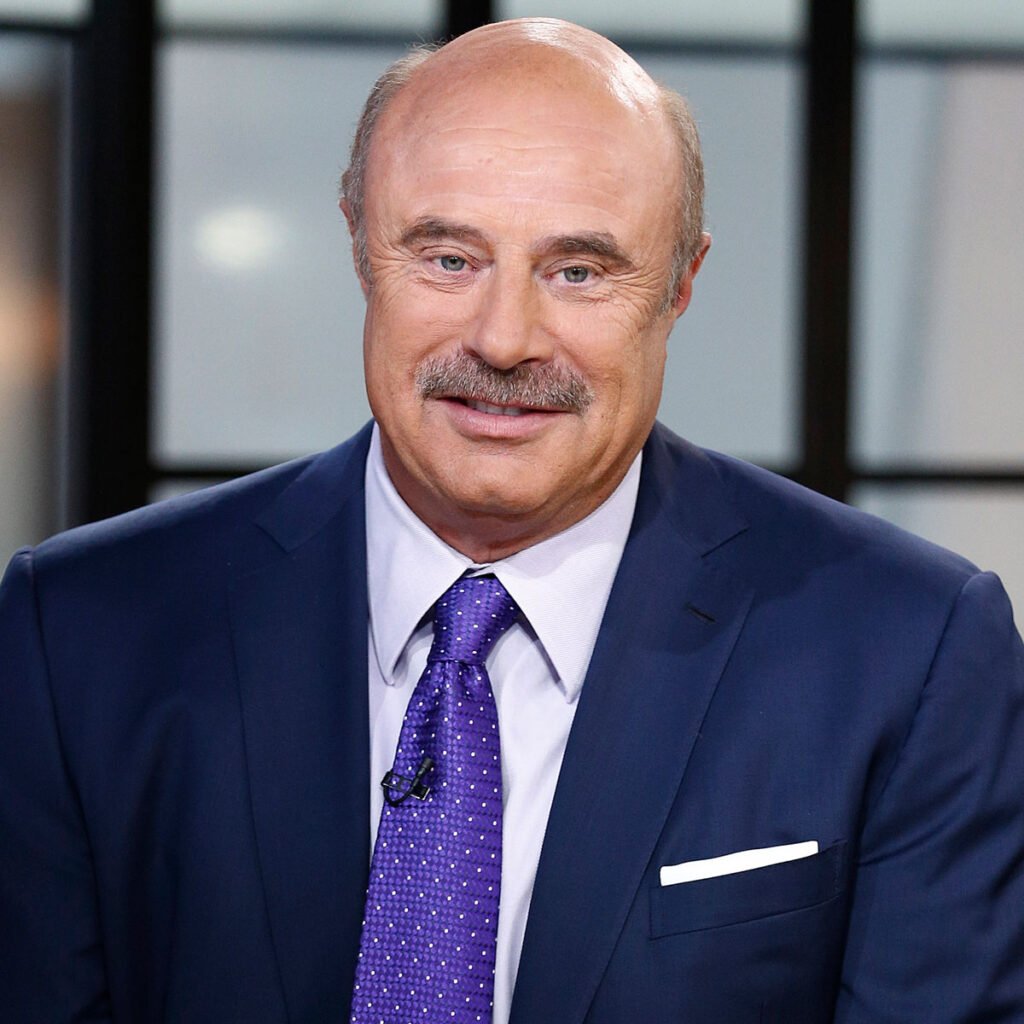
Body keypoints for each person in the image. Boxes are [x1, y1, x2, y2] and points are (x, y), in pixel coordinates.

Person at [1, 17, 1022, 1024]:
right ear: (359, 246)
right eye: (449, 259)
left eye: (578, 271)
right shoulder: (78, 631)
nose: (503, 339)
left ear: (680, 285)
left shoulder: (907, 649)